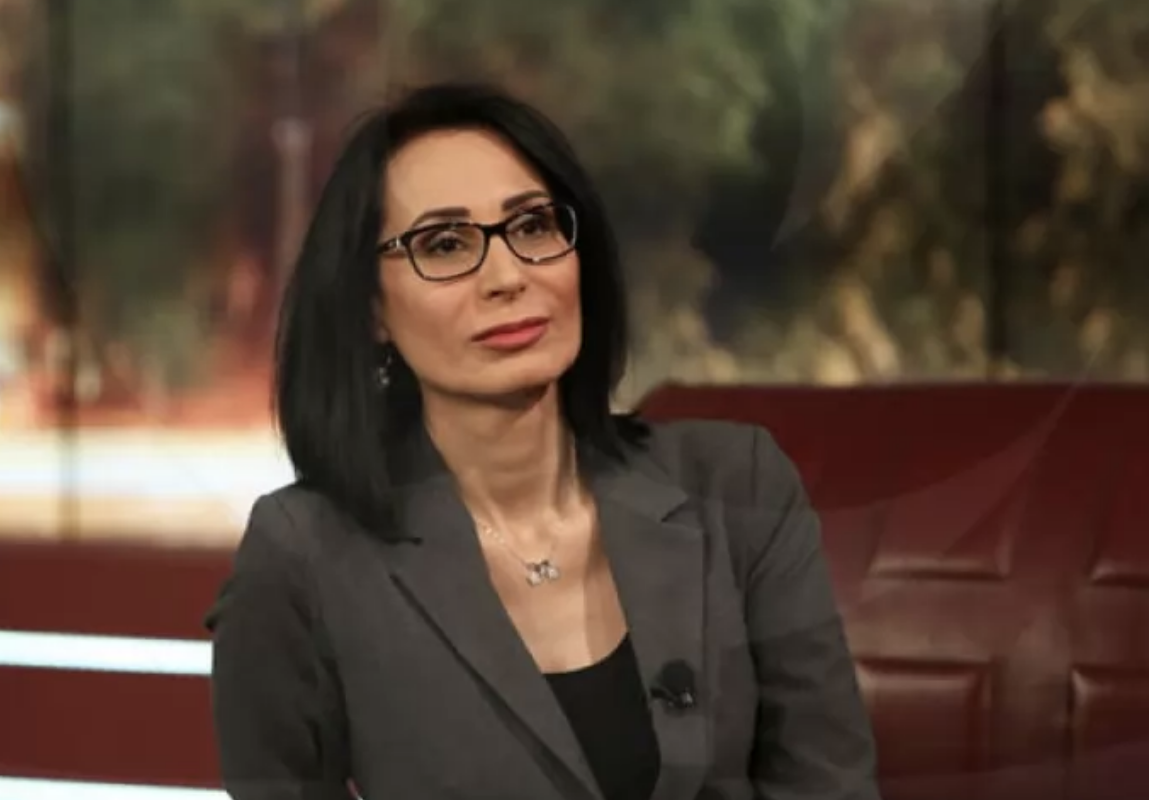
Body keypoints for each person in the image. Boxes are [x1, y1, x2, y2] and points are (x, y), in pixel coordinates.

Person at [206, 82, 880, 800]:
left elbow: (830, 784)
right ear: (372, 308)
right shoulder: (305, 555)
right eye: (444, 244)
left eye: (532, 227)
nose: (508, 276)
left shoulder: (736, 486)